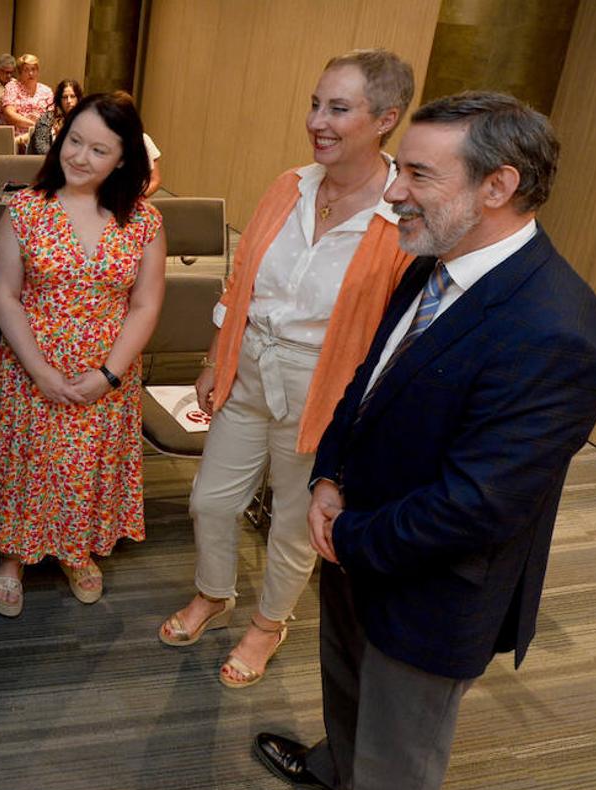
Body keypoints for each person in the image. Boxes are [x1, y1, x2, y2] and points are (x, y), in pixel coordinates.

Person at [254, 92, 596, 790]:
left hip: (431, 586)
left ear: (498, 186)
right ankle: (337, 771)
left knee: (400, 768)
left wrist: (349, 536)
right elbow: (367, 381)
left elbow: (476, 505)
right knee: (350, 693)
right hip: (355, 534)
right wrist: (329, 479)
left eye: (417, 173)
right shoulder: (434, 261)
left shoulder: (555, 330)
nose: (392, 190)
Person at [158, 50, 415, 689]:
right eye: (315, 103)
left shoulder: (403, 215)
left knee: (296, 524)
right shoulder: (288, 185)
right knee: (210, 501)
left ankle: (269, 624)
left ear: (386, 119)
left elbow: (396, 332)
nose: (317, 121)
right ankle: (214, 594)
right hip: (249, 368)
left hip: (326, 386)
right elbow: (242, 275)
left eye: (338, 108)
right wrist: (214, 359)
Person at [0, 92, 166, 617]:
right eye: (74, 141)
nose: (80, 157)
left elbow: (146, 304)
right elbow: (4, 295)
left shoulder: (144, 222)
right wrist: (39, 371)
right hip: (29, 364)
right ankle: (12, 557)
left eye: (98, 150)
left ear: (125, 158)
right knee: (27, 461)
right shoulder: (26, 209)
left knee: (85, 465)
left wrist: (109, 372)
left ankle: (74, 548)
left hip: (106, 369)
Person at [0, 53, 52, 148]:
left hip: (42, 136)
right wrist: (35, 125)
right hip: (17, 137)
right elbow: (9, 114)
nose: (31, 73)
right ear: (20, 73)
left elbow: (51, 116)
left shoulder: (46, 91)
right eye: (26, 70)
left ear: (38, 71)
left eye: (33, 69)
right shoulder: (12, 87)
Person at [28, 77, 80, 155]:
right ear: (59, 100)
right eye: (65, 97)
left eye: (72, 96)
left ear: (78, 99)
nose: (69, 101)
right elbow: (41, 148)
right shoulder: (47, 118)